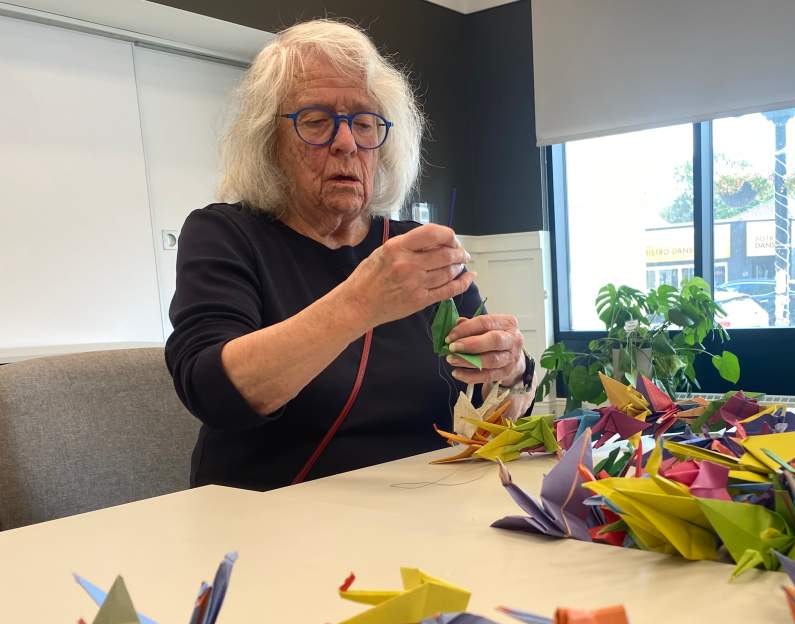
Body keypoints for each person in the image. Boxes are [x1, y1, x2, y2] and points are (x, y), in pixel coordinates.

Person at [165, 19, 533, 490]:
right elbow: (214, 391)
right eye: (316, 122)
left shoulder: (415, 247)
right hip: (271, 522)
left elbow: (491, 394)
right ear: (269, 142)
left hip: (425, 509)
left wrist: (511, 368)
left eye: (364, 123)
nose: (346, 142)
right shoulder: (226, 235)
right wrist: (361, 301)